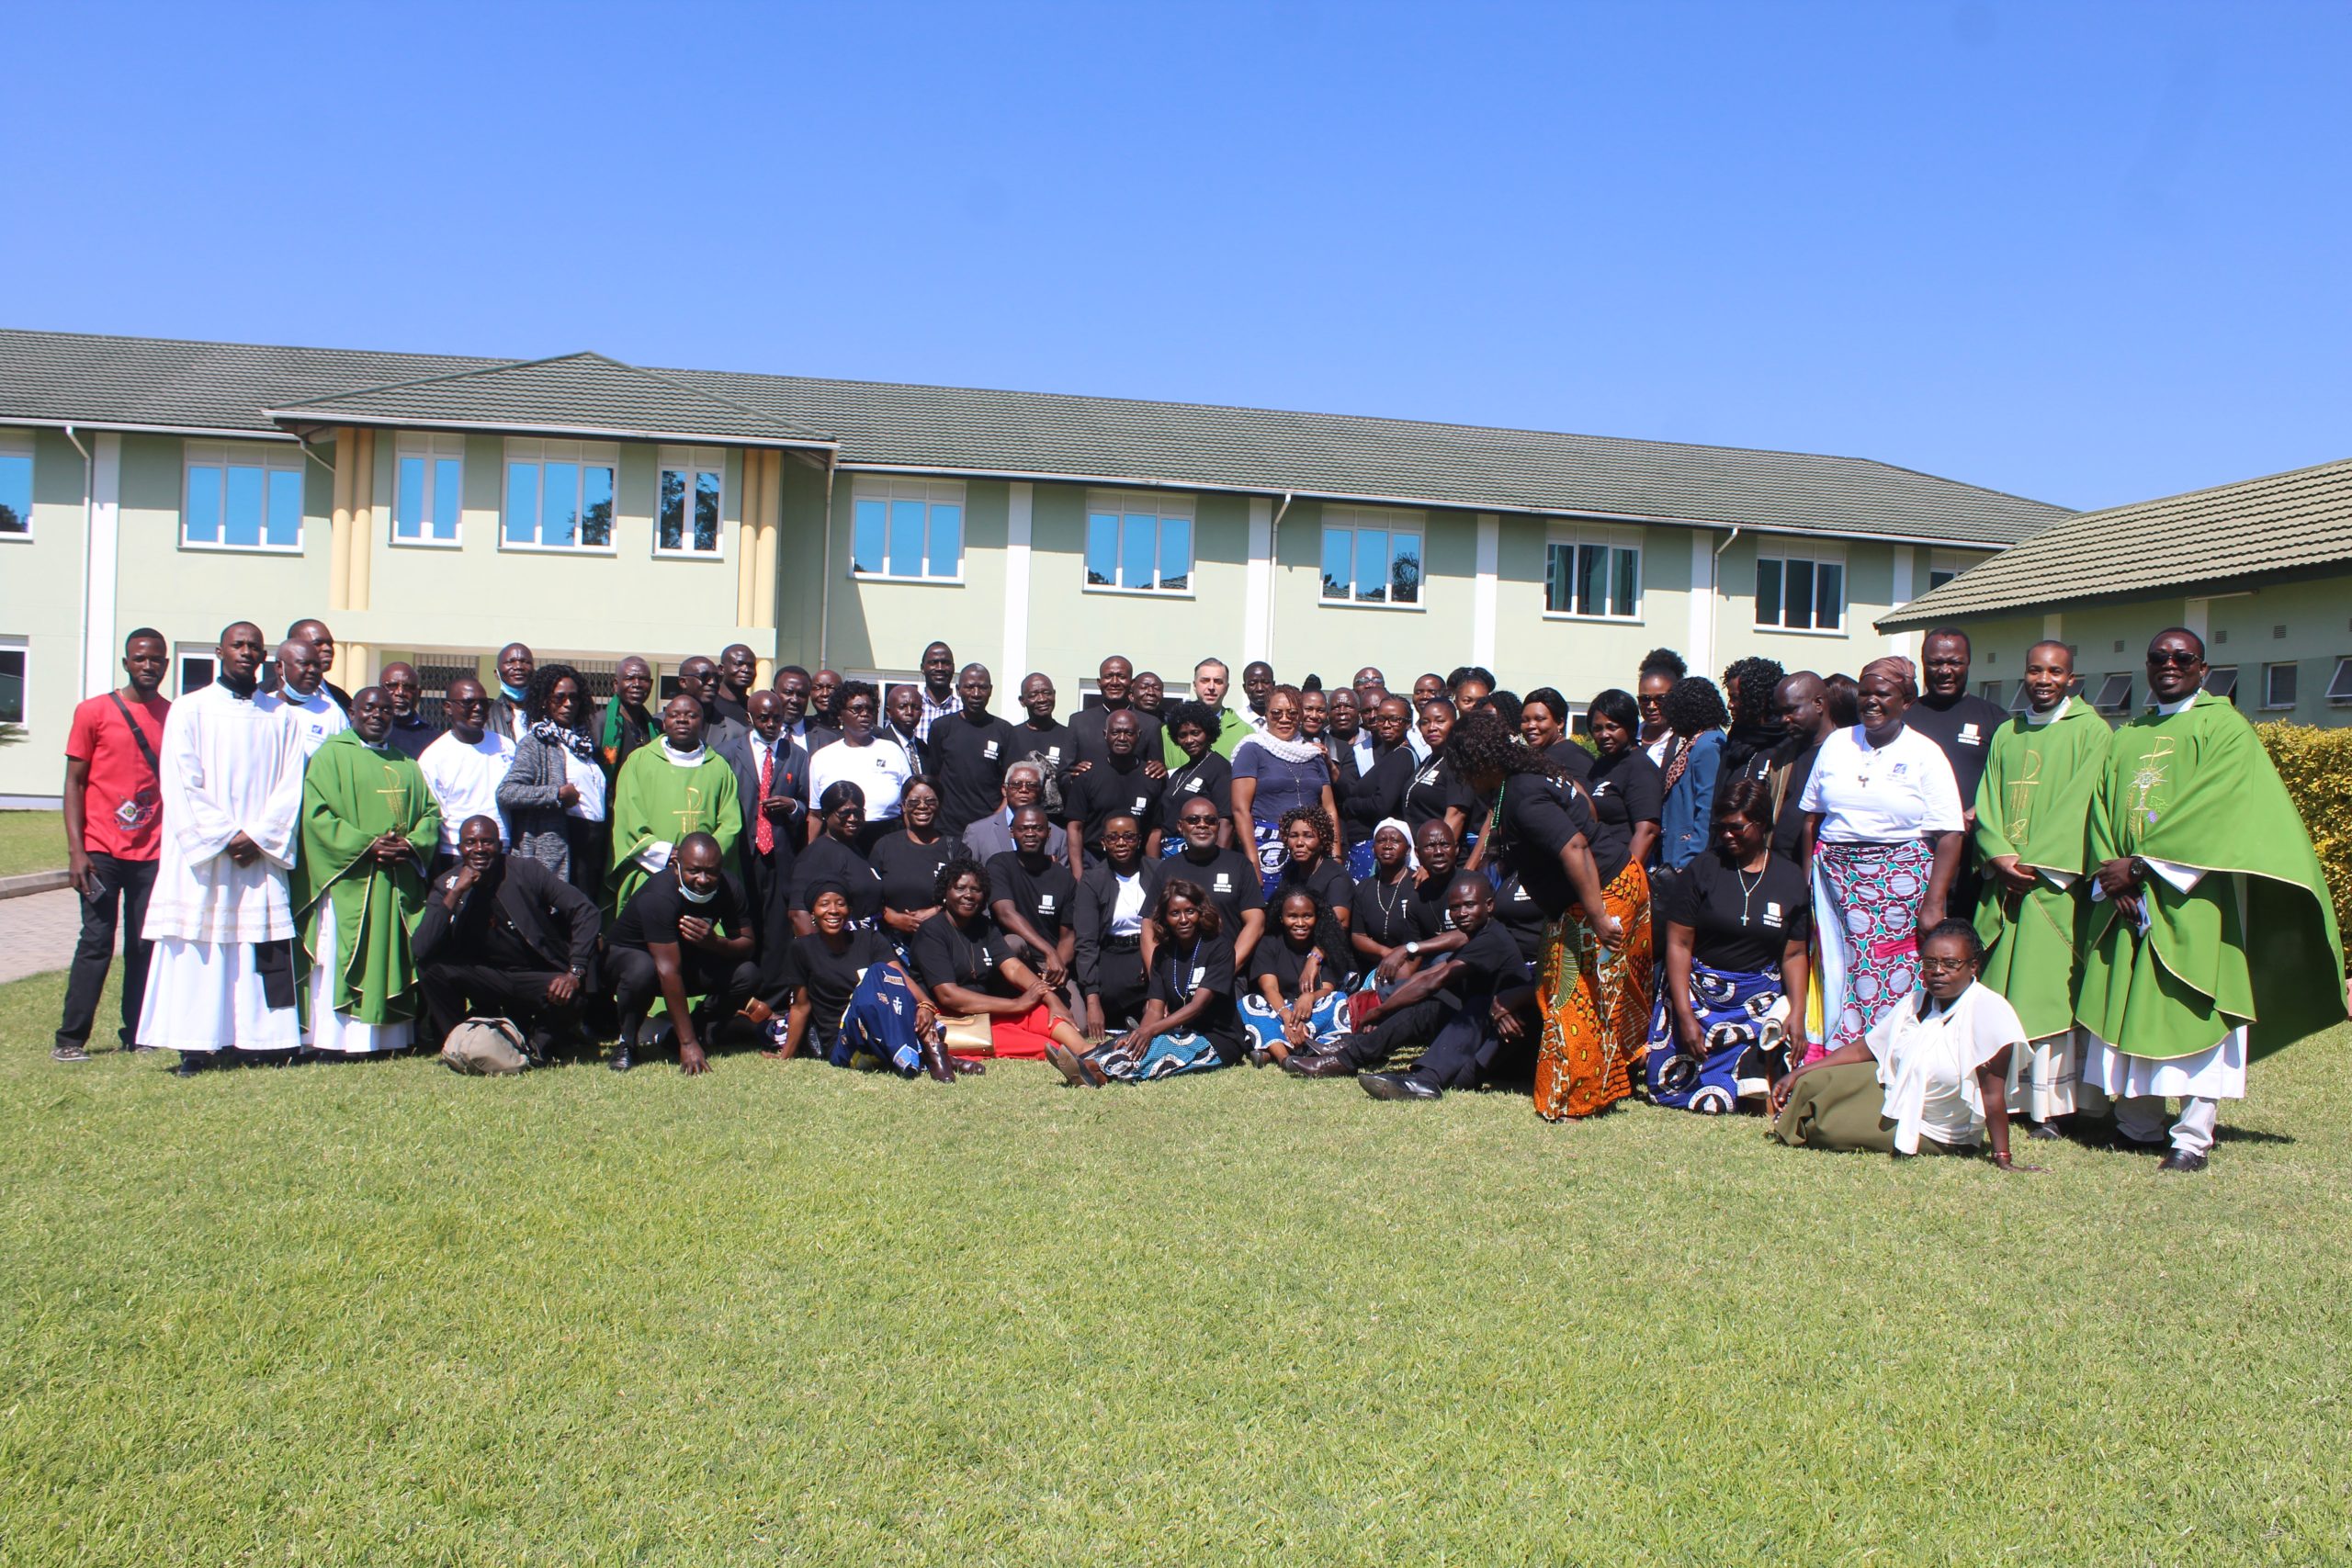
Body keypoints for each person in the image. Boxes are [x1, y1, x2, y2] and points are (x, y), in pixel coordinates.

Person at [2075, 628, 2346, 1172]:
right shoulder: (2130, 733)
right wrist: (2114, 875)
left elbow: (2218, 807)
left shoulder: (2225, 728)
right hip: (2127, 899)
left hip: (2194, 895)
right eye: (2159, 658)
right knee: (2129, 1006)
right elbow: (2100, 807)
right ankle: (2139, 1124)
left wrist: (2145, 866)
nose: (2169, 665)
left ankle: (2192, 1136)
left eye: (2182, 658)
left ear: (2203, 668)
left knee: (2195, 1006)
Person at [138, 622, 308, 1068]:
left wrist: (259, 835)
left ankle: (255, 1042)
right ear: (219, 652)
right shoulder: (189, 710)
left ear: (264, 657)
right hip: (206, 858)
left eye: (255, 646)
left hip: (258, 856)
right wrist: (224, 835)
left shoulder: (282, 715)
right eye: (239, 645)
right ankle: (196, 1044)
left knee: (255, 945)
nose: (247, 653)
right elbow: (180, 782)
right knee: (203, 946)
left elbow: (291, 785)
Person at [1462, 708, 1637, 1120]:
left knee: (1573, 996)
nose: (1467, 781)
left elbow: (1575, 845)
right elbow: (1586, 805)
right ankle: (1594, 1088)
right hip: (1592, 891)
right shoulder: (1524, 777)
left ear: (1482, 760)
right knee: (1569, 990)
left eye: (1467, 769)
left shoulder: (1521, 790)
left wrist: (1596, 915)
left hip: (1601, 893)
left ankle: (1578, 1098)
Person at [1971, 640, 2109, 1139]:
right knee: (2004, 993)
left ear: (2072, 679)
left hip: (2053, 888)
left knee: (2047, 995)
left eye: (2055, 671)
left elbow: (2084, 802)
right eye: (2035, 670)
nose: (2044, 679)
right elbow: (1987, 797)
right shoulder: (2008, 732)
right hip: (2006, 886)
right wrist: (1998, 853)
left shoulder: (2092, 732)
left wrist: (2036, 861)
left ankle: (2051, 1107)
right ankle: (2003, 1099)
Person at [1798, 655, 1966, 1064]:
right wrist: (1808, 879)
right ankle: (1834, 1062)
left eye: (1883, 694)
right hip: (1835, 882)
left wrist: (1935, 902)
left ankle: (1892, 1061)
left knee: (1893, 974)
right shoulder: (1838, 742)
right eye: (1866, 693)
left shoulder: (1925, 753)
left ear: (1906, 701)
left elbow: (1950, 834)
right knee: (1837, 971)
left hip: (1899, 885)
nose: (1871, 702)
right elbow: (1812, 819)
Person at [1770, 919, 2035, 1168]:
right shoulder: (1917, 1001)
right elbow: (1865, 1049)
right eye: (1930, 962)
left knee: (1825, 1129)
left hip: (1939, 1130)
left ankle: (1800, 1125)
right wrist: (1800, 1071)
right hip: (1898, 1093)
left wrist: (2003, 1158)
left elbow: (1992, 1095)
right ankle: (1791, 1119)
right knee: (1815, 1082)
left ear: (1973, 966)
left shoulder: (1990, 1011)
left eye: (1951, 963)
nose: (1938, 971)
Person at [1645, 779, 1812, 1113]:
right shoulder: (1704, 869)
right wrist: (1685, 1015)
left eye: (1736, 827)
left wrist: (1798, 1011)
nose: (1726, 835)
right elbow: (1679, 944)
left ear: (1761, 824)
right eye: (1720, 827)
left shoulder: (1789, 878)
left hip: (1755, 1003)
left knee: (1752, 1098)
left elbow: (1793, 954)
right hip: (1699, 996)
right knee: (1667, 1091)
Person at [292, 688, 442, 1056]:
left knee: (393, 951)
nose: (378, 715)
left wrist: (409, 845)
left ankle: (389, 1037)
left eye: (386, 710)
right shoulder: (331, 756)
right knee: (341, 953)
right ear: (353, 712)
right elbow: (317, 817)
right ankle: (333, 1039)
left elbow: (430, 814)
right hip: (350, 879)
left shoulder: (406, 762)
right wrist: (366, 844)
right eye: (369, 708)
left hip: (394, 879)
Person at [1293, 872, 1532, 1099]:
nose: (1462, 913)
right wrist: (1386, 1006)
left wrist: (1379, 1011)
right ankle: (1349, 1054)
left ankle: (1423, 1079)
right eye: (1455, 908)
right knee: (1426, 1009)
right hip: (1481, 1034)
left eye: (1470, 905)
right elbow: (1428, 974)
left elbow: (1433, 980)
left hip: (1507, 1044)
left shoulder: (1492, 939)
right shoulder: (1475, 935)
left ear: (1489, 906)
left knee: (1456, 1005)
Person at [54, 627, 171, 1062]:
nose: (148, 666)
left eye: (156, 659)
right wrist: (76, 851)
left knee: (144, 944)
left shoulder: (173, 715)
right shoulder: (93, 712)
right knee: (96, 942)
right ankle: (70, 1040)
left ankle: (137, 1032)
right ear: (126, 663)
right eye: (140, 658)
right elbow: (74, 783)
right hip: (101, 850)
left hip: (152, 852)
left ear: (164, 664)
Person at [413, 816, 599, 1063]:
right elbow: (422, 948)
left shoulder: (526, 871)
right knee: (431, 969)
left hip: (532, 972)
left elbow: (585, 910)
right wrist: (456, 892)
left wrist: (574, 972)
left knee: (572, 992)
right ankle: (459, 1041)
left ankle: (540, 1046)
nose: (479, 849)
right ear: (459, 849)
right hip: (486, 976)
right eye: (470, 842)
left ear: (500, 846)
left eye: (487, 842)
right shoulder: (447, 883)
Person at [1055, 878, 1245, 1086]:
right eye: (1175, 913)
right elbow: (1155, 1010)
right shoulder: (1163, 954)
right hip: (1181, 1031)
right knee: (1128, 1042)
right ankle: (1089, 1063)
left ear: (1201, 912)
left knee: (1163, 1047)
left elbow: (1198, 1006)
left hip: (1218, 1040)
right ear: (1164, 918)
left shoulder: (1219, 948)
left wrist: (1150, 1032)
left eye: (1190, 911)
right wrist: (1139, 1035)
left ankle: (1097, 1072)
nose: (1183, 919)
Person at [607, 832, 762, 1075]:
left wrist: (715, 942)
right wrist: (687, 1045)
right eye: (694, 871)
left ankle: (690, 1031)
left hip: (685, 959)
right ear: (676, 866)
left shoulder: (730, 887)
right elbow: (668, 970)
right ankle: (627, 1042)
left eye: (711, 872)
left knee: (747, 974)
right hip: (637, 961)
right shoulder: (659, 896)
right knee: (642, 970)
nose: (703, 879)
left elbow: (747, 944)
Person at [910, 860, 1090, 1064]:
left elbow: (1013, 967)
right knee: (1048, 1047)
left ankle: (1087, 1050)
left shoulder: (984, 927)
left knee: (1040, 1012)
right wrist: (1017, 1004)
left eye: (976, 889)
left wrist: (1051, 999)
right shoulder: (932, 931)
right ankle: (1077, 1058)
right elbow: (950, 996)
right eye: (960, 888)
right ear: (945, 892)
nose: (969, 895)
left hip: (985, 1012)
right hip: (953, 1019)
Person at [775, 881, 953, 1081]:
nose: (833, 910)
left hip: (878, 1035)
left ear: (849, 911)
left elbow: (899, 977)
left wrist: (925, 1004)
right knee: (875, 975)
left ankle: (925, 1054)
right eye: (824, 904)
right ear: (813, 913)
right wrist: (785, 1056)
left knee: (883, 977)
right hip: (845, 1044)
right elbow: (800, 1007)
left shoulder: (869, 939)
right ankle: (923, 1054)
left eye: (840, 904)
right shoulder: (801, 949)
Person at [1906, 627, 2011, 915]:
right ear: (1924, 664)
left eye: (1954, 662)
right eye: (1936, 663)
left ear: (1968, 664)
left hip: (1972, 859)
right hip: (1913, 854)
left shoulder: (1995, 719)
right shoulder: (1904, 717)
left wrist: (1976, 811)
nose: (1945, 671)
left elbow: (2008, 779)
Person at [606, 694, 741, 911]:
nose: (682, 720)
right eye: (674, 715)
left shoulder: (718, 767)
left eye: (691, 715)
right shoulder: (639, 762)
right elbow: (628, 816)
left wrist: (700, 860)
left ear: (702, 721)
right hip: (652, 868)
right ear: (664, 721)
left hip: (704, 876)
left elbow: (731, 823)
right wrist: (666, 852)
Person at [497, 662, 608, 900]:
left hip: (592, 848)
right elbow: (507, 792)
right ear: (545, 701)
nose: (568, 704)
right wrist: (555, 795)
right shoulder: (537, 743)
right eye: (560, 698)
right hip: (562, 846)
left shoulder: (585, 745)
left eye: (574, 698)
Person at [732, 688, 809, 995]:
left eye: (776, 718)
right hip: (743, 853)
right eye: (763, 718)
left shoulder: (797, 755)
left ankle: (775, 997)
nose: (770, 724)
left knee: (778, 927)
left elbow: (807, 805)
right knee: (746, 922)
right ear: (748, 717)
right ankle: (743, 991)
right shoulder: (729, 752)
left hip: (780, 854)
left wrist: (792, 807)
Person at [1230, 685, 1340, 897]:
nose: (1284, 719)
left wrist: (1336, 857)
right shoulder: (1251, 749)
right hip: (1267, 848)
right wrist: (1253, 862)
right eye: (1276, 713)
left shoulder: (1312, 753)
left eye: (1292, 713)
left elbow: (1330, 810)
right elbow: (1240, 810)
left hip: (1311, 849)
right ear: (1266, 714)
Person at [1072, 814, 1161, 1036]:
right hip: (1113, 954)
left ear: (1139, 840)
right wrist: (1092, 1002)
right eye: (1113, 838)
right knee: (1111, 994)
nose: (1121, 843)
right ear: (1103, 843)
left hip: (1155, 952)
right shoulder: (1092, 880)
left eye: (1129, 837)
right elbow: (1086, 942)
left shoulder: (1158, 870)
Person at [1241, 888, 1353, 1065]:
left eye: (1307, 916)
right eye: (1292, 916)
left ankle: (1276, 1049)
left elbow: (1327, 989)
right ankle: (1286, 1059)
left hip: (1313, 1011)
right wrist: (1288, 1017)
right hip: (1279, 1010)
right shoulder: (1269, 942)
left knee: (1339, 1000)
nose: (1300, 923)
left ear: (1316, 917)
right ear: (1281, 918)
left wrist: (1310, 997)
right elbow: (1269, 988)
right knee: (1248, 1003)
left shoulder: (1325, 945)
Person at [418, 677, 514, 870]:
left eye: (483, 703)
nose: (478, 708)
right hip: (456, 855)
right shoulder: (434, 757)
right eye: (468, 703)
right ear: (447, 707)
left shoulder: (507, 746)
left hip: (502, 851)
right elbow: (432, 816)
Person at [1163, 794, 1266, 966]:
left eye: (1210, 820)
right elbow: (1149, 925)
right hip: (1177, 975)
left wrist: (1224, 972)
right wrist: (1158, 975)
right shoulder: (1167, 868)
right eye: (1194, 820)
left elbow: (1256, 923)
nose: (1202, 825)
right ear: (1180, 827)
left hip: (1228, 973)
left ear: (1218, 826)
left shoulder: (1240, 865)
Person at [1062, 707, 1167, 872]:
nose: (1122, 738)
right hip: (1094, 860)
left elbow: (1154, 830)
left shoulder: (1152, 777)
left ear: (1138, 735)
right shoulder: (1086, 775)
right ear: (1105, 735)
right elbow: (1075, 828)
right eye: (1116, 732)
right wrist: (1078, 874)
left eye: (1129, 733)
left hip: (1137, 863)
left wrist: (1153, 872)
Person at [986, 803, 1077, 992]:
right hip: (1013, 960)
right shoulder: (999, 864)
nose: (1030, 833)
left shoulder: (1064, 877)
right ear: (1012, 832)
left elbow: (1068, 936)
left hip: (1048, 964)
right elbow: (1005, 914)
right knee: (1013, 943)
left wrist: (1056, 966)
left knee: (1080, 1022)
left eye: (1037, 828)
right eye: (1023, 828)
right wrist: (1048, 950)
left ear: (1049, 833)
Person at [808, 681, 912, 844]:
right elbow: (815, 815)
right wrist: (810, 854)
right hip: (840, 842)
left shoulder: (893, 751)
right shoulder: (822, 758)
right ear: (840, 714)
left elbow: (909, 806)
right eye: (857, 709)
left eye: (870, 709)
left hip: (888, 840)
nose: (865, 714)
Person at [872, 776, 966, 950]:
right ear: (903, 806)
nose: (922, 806)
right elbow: (868, 894)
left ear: (940, 805)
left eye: (930, 801)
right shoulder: (884, 846)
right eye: (914, 801)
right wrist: (892, 917)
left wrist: (936, 911)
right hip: (892, 945)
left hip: (944, 943)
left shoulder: (956, 849)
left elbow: (968, 894)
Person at [929, 663, 1019, 836]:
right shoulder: (941, 727)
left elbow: (1011, 785)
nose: (976, 694)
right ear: (958, 689)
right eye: (969, 687)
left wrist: (996, 820)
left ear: (991, 690)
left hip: (988, 828)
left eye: (982, 687)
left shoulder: (1005, 731)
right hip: (948, 828)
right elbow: (934, 775)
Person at [1582, 690, 1663, 873]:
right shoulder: (1601, 766)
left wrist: (1625, 878)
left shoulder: (1639, 767)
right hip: (1596, 871)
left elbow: (1648, 831)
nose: (1604, 734)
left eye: (1612, 727)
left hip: (1620, 878)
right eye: (1597, 728)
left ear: (1630, 727)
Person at [1655, 675, 1729, 874]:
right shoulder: (1692, 743)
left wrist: (1691, 857)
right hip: (1674, 853)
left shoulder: (1708, 744)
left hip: (1688, 858)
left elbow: (1707, 807)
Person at [791, 782, 885, 932]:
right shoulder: (816, 855)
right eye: (844, 813)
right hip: (841, 946)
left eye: (858, 813)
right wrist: (819, 954)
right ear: (826, 814)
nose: (853, 818)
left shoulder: (855, 850)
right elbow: (799, 914)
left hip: (870, 940)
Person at [1764, 671, 1832, 863]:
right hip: (1778, 870)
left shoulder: (1845, 752)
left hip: (1822, 870)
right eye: (1780, 713)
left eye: (1791, 710)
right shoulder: (1782, 756)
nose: (1783, 720)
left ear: (1818, 704)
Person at [1159, 701, 1236, 853]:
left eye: (1195, 733)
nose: (1189, 740)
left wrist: (1218, 862)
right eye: (1182, 735)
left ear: (1208, 733)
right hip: (1169, 853)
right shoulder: (1179, 773)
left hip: (1201, 853)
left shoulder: (1220, 768)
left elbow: (1226, 822)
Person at [1347, 819, 1420, 976]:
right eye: (1381, 841)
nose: (1387, 845)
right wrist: (1387, 954)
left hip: (1417, 964)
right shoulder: (1364, 888)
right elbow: (1358, 935)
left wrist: (1401, 957)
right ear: (1373, 849)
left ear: (1408, 850)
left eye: (1395, 841)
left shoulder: (1418, 884)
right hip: (1377, 965)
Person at [1712, 657, 1787, 807]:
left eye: (1735, 698)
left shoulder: (1785, 743)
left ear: (1757, 698)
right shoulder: (1736, 739)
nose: (1729, 705)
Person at [257, 637, 349, 759]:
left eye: (317, 666)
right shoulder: (261, 707)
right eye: (304, 664)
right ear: (280, 667)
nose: (312, 670)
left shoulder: (332, 713)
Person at [1071, 656, 1168, 770]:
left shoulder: (1150, 724)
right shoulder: (1078, 722)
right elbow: (1064, 774)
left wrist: (1159, 769)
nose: (1115, 682)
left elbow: (1156, 772)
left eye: (1121, 676)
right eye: (1108, 676)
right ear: (1099, 682)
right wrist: (1074, 775)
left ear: (1132, 684)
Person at [1271, 806, 1352, 934]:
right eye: (1293, 836)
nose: (1299, 843)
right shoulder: (1290, 872)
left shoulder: (1337, 877)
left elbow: (1340, 922)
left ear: (1322, 839)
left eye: (1308, 836)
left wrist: (1317, 953)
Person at [1404, 699, 1472, 843]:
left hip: (1438, 856)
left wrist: (1437, 852)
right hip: (1419, 852)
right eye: (1425, 722)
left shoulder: (1457, 762)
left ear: (1455, 724)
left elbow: (1457, 814)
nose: (1431, 728)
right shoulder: (1428, 760)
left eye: (1440, 721)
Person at [1160, 658, 1250, 766]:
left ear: (1226, 688)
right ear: (1195, 685)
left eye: (1218, 681)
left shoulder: (1246, 732)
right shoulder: (1169, 731)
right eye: (1205, 681)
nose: (1211, 687)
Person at [675, 654, 748, 752]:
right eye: (705, 677)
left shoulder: (737, 732)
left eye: (717, 678)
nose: (713, 683)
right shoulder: (658, 725)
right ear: (683, 682)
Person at [1012, 672, 1076, 779]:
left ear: (1054, 694)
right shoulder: (1011, 736)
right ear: (1022, 701)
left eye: (1047, 693)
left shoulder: (1069, 736)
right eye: (1033, 695)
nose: (1042, 699)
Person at [1520, 687, 1591, 783]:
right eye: (1525, 720)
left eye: (1539, 719)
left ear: (1559, 723)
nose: (1530, 726)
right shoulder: (1539, 756)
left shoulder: (1573, 758)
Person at [599, 656, 656, 774]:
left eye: (643, 679)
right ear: (616, 684)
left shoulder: (656, 727)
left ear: (651, 684)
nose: (637, 684)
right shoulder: (599, 723)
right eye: (629, 678)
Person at [285, 618, 355, 712]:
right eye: (317, 643)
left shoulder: (341, 698)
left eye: (330, 644)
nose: (328, 649)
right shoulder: (267, 694)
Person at [379, 661, 441, 761]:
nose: (400, 692)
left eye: (408, 687)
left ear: (419, 693)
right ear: (380, 690)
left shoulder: (435, 740)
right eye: (392, 686)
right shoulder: (368, 732)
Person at [1636, 648, 1686, 769]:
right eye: (1645, 699)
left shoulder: (1685, 741)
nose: (1651, 706)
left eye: (1661, 698)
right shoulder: (1629, 737)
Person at [912, 641, 959, 743]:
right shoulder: (910, 709)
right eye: (933, 662)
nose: (940, 668)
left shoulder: (964, 710)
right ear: (922, 668)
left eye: (945, 663)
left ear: (953, 668)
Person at [488, 643, 536, 741]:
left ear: (534, 671)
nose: (518, 666)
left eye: (525, 662)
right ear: (497, 674)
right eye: (510, 662)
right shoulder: (486, 715)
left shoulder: (546, 714)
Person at [882, 683, 932, 775]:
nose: (909, 712)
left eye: (916, 708)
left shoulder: (923, 748)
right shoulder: (878, 744)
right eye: (902, 707)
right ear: (888, 712)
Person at [713, 643, 759, 729]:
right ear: (721, 669)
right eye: (738, 664)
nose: (746, 670)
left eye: (751, 666)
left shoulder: (755, 708)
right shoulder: (709, 704)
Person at [1240, 660, 1276, 728]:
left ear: (1273, 685)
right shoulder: (1238, 720)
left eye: (1265, 682)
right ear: (1245, 688)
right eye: (1252, 683)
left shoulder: (1283, 721)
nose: (1260, 689)